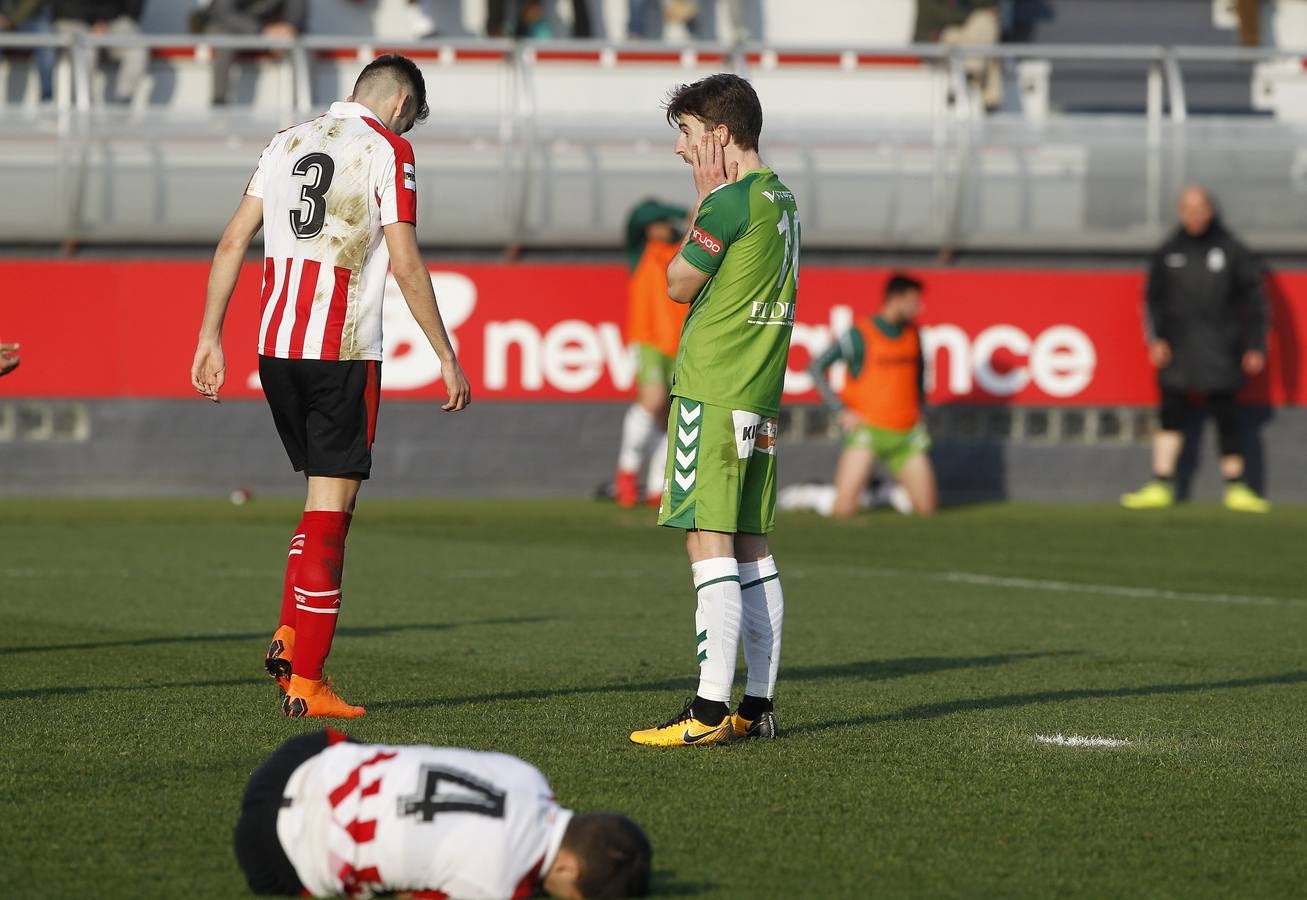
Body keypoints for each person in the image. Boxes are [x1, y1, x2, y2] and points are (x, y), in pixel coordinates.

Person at [190, 54, 471, 719]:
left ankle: (291, 635)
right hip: (340, 349)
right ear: (401, 103)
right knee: (331, 517)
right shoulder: (388, 148)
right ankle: (308, 682)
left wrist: (208, 336)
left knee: (316, 499)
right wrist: (445, 354)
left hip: (275, 351)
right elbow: (403, 260)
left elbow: (233, 240)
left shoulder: (284, 141)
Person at [629, 73, 798, 748]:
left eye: (687, 133)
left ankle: (704, 712)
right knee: (752, 546)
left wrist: (703, 202)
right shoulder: (780, 195)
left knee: (708, 541)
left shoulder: (728, 202)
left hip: (713, 388)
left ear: (719, 136)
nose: (680, 149)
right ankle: (755, 708)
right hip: (757, 396)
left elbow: (676, 284)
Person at [234, 729, 652, 898]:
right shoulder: (498, 887)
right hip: (275, 854)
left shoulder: (528, 776)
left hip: (301, 755)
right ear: (567, 869)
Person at [1122, 185, 1271, 513]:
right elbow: (1151, 300)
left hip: (1222, 349)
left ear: (1210, 210)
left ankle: (1236, 487)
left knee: (1227, 416)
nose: (1194, 215)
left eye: (1199, 208)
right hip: (1179, 350)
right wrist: (1156, 339)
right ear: (1180, 212)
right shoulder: (1169, 251)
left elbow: (1255, 302)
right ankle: (1161, 483)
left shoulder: (1231, 250)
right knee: (1170, 414)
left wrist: (1255, 345)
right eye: (1187, 209)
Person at [804, 273, 937, 518]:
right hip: (868, 430)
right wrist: (839, 410)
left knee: (926, 509)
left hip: (906, 433)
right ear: (895, 299)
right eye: (914, 301)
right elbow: (816, 367)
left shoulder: (913, 334)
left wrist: (921, 410)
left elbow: (918, 378)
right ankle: (818, 494)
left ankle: (879, 491)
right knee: (844, 509)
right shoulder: (860, 334)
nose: (920, 307)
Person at [613, 198, 688, 508]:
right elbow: (639, 214)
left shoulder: (681, 250)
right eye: (659, 222)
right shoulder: (640, 250)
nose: (663, 227)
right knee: (652, 400)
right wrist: (679, 210)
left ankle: (658, 483)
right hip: (649, 340)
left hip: (681, 342)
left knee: (669, 416)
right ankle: (627, 470)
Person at [201, 0, 306, 106]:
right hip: (228, 28)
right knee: (224, 40)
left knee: (301, 46)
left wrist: (288, 29)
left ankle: (303, 106)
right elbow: (223, 13)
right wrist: (262, 30)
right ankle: (219, 104)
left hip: (269, 32)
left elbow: (296, 13)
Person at [51, 0, 147, 104]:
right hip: (74, 19)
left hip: (113, 20)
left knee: (137, 48)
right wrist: (93, 21)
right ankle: (81, 102)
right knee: (85, 50)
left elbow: (134, 7)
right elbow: (61, 6)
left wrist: (103, 21)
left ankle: (122, 103)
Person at [0, 0, 55, 104]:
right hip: (5, 17)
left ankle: (47, 100)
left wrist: (11, 19)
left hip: (33, 18)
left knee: (47, 43)